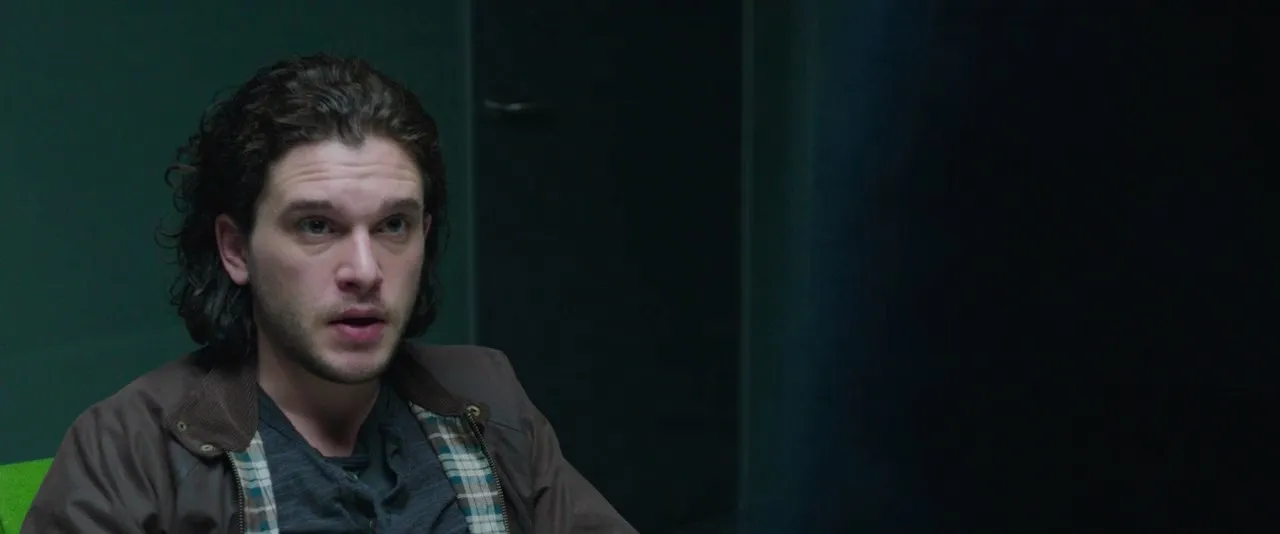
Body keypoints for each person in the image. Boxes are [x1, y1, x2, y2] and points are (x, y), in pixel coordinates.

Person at [22, 54, 635, 534]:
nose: (365, 270)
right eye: (317, 226)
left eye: (393, 225)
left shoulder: (490, 400)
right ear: (236, 249)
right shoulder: (131, 449)